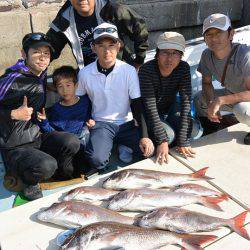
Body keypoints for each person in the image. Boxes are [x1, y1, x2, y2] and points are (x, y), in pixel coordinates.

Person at [0, 33, 80, 200]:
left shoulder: (40, 74)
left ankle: (60, 172)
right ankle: (29, 180)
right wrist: (13, 114)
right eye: (37, 52)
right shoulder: (10, 79)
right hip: (14, 147)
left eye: (46, 53)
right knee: (46, 165)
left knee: (71, 142)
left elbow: (35, 88)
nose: (42, 57)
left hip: (36, 136)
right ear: (24, 54)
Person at [76, 22, 154, 175]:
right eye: (101, 45)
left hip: (127, 123)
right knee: (97, 160)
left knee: (149, 150)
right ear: (93, 48)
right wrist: (87, 120)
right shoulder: (85, 73)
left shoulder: (129, 70)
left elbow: (137, 103)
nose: (107, 51)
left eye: (111, 45)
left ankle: (122, 144)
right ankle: (113, 144)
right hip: (101, 123)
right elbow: (81, 101)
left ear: (119, 46)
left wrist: (144, 136)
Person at [139, 31, 196, 164]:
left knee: (193, 130)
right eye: (165, 52)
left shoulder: (183, 68)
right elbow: (150, 107)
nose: (169, 59)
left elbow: (186, 102)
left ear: (181, 55)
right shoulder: (147, 70)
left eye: (175, 53)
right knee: (169, 136)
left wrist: (183, 140)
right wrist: (162, 141)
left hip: (169, 107)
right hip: (149, 112)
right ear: (157, 53)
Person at [194, 13, 250, 145]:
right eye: (209, 34)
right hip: (232, 94)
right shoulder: (207, 55)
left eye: (219, 33)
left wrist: (220, 100)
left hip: (244, 99)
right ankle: (213, 126)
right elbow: (206, 83)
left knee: (242, 110)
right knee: (198, 99)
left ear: (231, 34)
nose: (214, 38)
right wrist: (211, 104)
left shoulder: (245, 54)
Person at [46, 0, 148, 69]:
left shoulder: (112, 9)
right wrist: (29, 70)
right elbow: (46, 50)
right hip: (90, 74)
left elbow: (140, 30)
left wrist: (139, 61)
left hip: (120, 67)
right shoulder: (64, 20)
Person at [37, 65, 94, 149]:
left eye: (68, 85)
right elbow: (52, 132)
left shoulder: (85, 101)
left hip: (83, 139)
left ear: (76, 85)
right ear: (56, 88)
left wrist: (91, 124)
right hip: (66, 144)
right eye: (60, 86)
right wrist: (44, 122)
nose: (65, 90)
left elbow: (90, 119)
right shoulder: (56, 109)